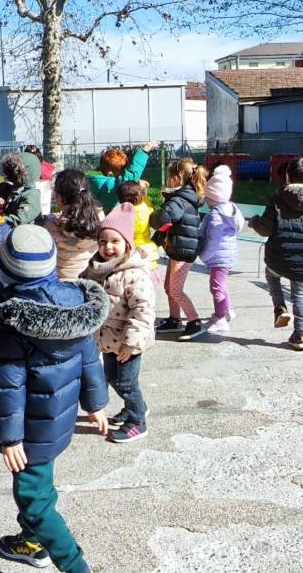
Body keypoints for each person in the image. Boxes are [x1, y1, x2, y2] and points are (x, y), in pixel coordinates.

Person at [0, 225, 109, 572]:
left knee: (34, 499)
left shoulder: (11, 321)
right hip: (57, 423)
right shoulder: (75, 304)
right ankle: (31, 541)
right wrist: (96, 404)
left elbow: (8, 385)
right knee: (41, 485)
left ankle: (75, 565)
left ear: (6, 269)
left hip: (29, 433)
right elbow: (90, 358)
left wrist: (10, 438)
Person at [82, 203, 155, 443]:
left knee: (126, 383)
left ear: (127, 244)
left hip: (128, 342)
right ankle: (137, 406)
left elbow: (143, 310)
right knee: (113, 378)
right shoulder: (96, 269)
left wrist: (131, 342)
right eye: (103, 241)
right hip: (107, 340)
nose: (108, 247)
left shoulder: (133, 274)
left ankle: (138, 422)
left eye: (115, 241)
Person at [248, 157, 303, 350]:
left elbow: (265, 229)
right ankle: (301, 335)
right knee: (300, 293)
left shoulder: (277, 200)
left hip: (278, 259)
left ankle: (280, 308)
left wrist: (253, 221)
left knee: (271, 275)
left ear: (287, 177)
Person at [150, 158, 208, 341]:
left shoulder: (178, 200)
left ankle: (195, 322)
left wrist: (150, 214)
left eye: (169, 176)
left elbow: (164, 218)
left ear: (177, 177)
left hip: (183, 251)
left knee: (175, 290)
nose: (167, 180)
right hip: (180, 248)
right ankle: (174, 320)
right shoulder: (186, 196)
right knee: (169, 287)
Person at [198, 166, 245, 333]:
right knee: (222, 284)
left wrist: (204, 255)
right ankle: (227, 310)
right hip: (228, 255)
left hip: (218, 257)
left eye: (207, 196)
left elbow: (213, 240)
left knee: (216, 287)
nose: (206, 200)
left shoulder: (215, 215)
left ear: (214, 197)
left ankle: (220, 319)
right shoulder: (232, 209)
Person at [44, 169, 102, 280]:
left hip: (61, 279)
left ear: (61, 199)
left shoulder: (52, 225)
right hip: (90, 277)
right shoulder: (99, 218)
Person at [88, 141, 158, 214]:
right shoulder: (114, 185)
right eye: (122, 171)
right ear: (110, 173)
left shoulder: (89, 182)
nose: (124, 173)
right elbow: (132, 174)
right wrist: (145, 150)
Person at [118, 180, 160, 287]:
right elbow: (145, 199)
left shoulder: (124, 213)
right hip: (148, 250)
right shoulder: (146, 207)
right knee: (148, 288)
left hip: (133, 253)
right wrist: (143, 189)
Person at [1, 152, 42, 226]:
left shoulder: (32, 195)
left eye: (18, 171)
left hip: (25, 231)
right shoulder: (18, 190)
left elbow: (19, 219)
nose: (14, 173)